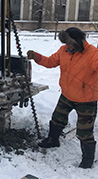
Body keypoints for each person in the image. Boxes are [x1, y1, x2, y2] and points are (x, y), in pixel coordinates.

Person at [27, 27, 98, 169]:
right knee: (57, 119)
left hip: (86, 100)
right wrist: (36, 56)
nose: (68, 46)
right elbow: (50, 62)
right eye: (66, 43)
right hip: (67, 95)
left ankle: (88, 159)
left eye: (70, 43)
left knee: (84, 132)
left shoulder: (93, 54)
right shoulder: (63, 51)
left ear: (79, 41)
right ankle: (53, 140)